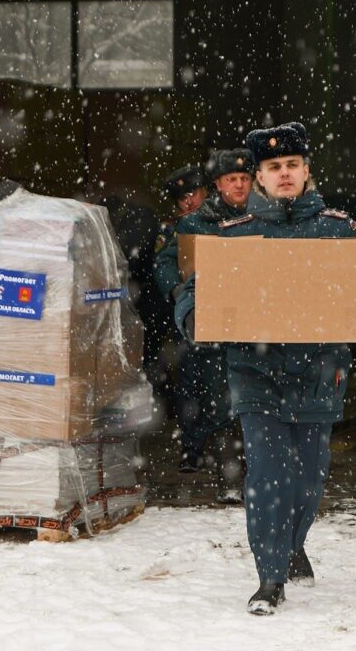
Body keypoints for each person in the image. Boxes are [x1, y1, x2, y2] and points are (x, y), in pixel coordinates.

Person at [174, 122, 356, 615]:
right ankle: (269, 577)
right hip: (254, 371)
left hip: (322, 369)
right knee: (266, 473)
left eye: (292, 166)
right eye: (273, 167)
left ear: (306, 171)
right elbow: (192, 286)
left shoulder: (339, 228)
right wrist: (192, 314)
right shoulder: (234, 234)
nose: (284, 174)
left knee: (309, 479)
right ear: (259, 176)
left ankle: (293, 543)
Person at [153, 149, 255, 496]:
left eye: (244, 178)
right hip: (209, 324)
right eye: (232, 179)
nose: (239, 185)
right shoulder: (192, 224)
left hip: (254, 324)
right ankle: (228, 476)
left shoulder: (263, 217)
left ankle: (250, 473)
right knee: (218, 399)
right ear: (218, 185)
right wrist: (181, 292)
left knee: (251, 400)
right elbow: (167, 262)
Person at [146, 166, 208, 430]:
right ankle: (191, 447)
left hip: (222, 312)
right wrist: (177, 291)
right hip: (187, 315)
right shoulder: (172, 230)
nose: (189, 201)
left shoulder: (224, 220)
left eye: (194, 193)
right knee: (189, 380)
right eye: (182, 197)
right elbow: (162, 263)